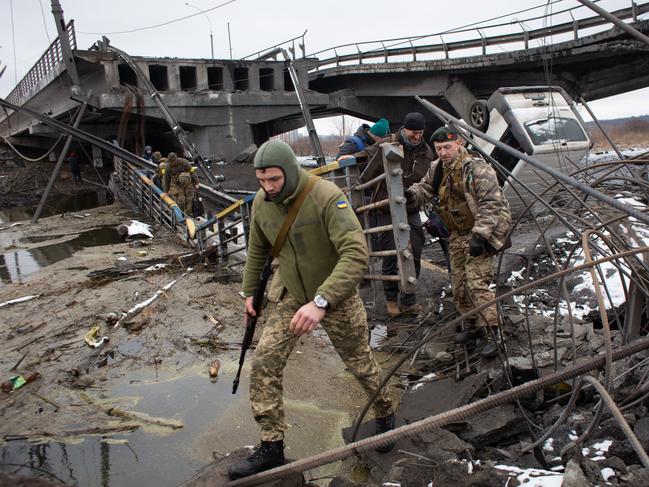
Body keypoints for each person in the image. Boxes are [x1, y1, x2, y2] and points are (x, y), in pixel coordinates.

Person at [228, 140, 395, 480]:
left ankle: (385, 411)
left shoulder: (326, 196)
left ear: (289, 172)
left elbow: (356, 253)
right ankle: (271, 445)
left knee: (360, 363)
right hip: (291, 293)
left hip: (336, 296)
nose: (268, 188)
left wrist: (321, 301)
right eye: (262, 181)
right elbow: (257, 248)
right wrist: (250, 293)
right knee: (265, 360)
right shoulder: (262, 202)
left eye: (274, 180)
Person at [407, 126, 512, 358]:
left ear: (459, 144)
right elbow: (424, 187)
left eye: (447, 147)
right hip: (456, 234)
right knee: (459, 284)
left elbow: (491, 203)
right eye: (438, 149)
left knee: (476, 283)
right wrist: (411, 195)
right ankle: (471, 325)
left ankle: (495, 333)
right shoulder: (437, 169)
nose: (443, 152)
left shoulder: (477, 169)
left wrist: (480, 235)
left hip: (481, 233)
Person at [342, 112, 434, 316]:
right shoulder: (388, 142)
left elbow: (429, 177)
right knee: (391, 252)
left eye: (420, 132)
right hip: (386, 206)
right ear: (404, 129)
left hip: (410, 206)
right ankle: (391, 300)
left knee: (415, 249)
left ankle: (408, 299)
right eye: (413, 132)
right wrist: (349, 158)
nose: (416, 137)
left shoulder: (426, 152)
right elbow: (367, 154)